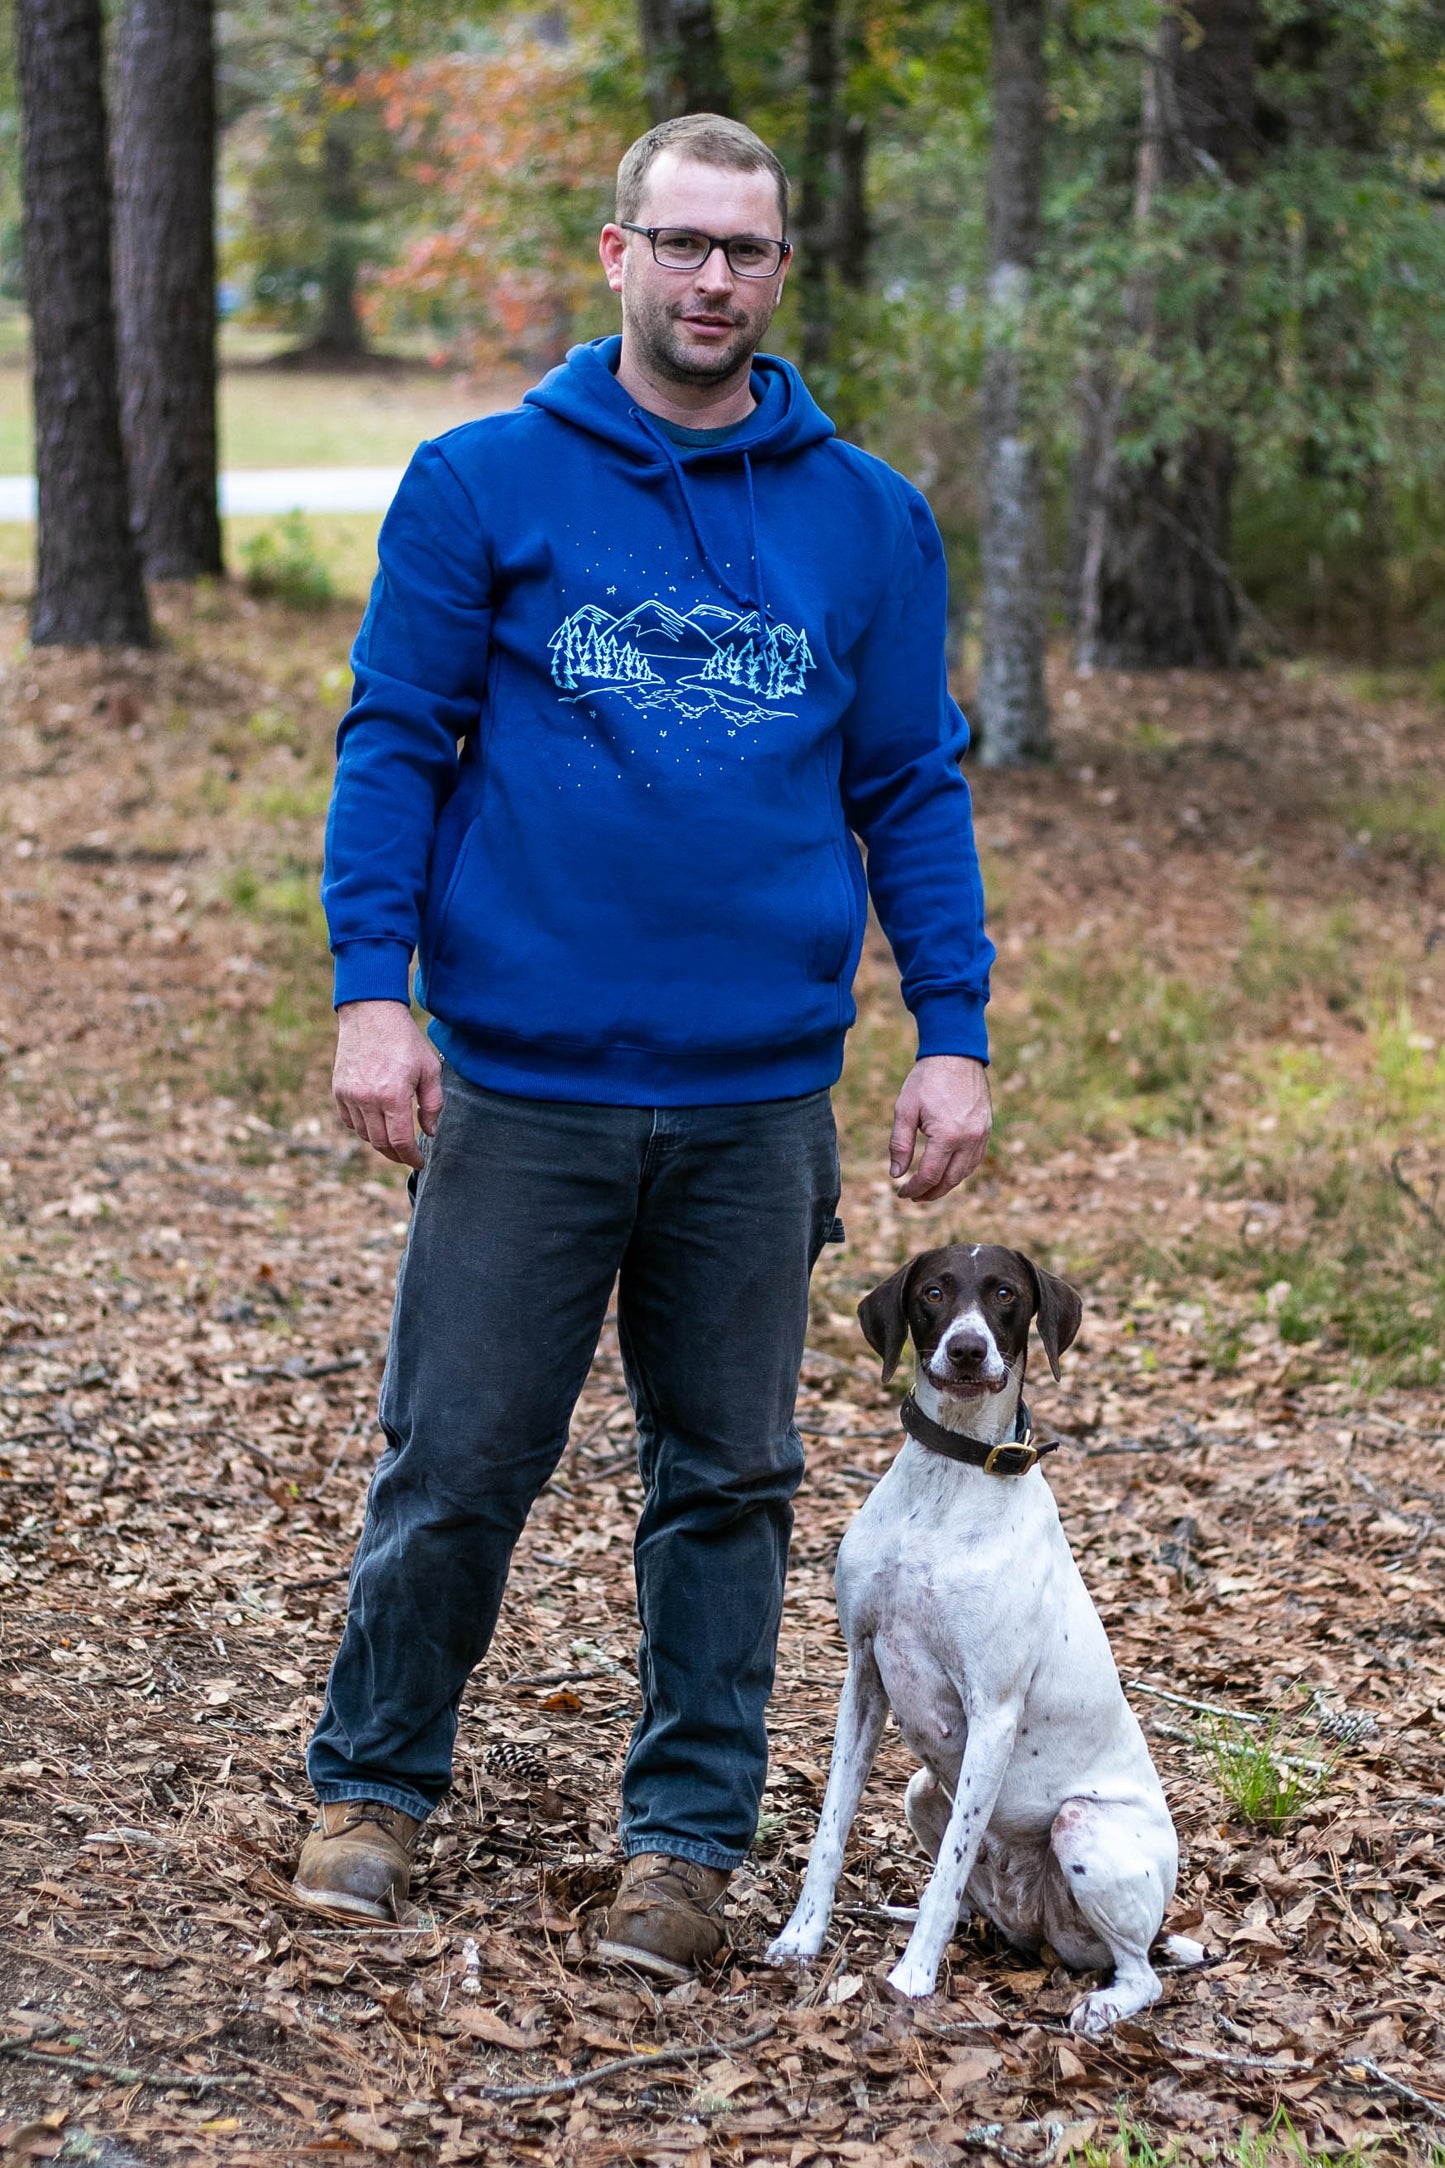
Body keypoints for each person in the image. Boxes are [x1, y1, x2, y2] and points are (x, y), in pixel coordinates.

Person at [294, 111, 994, 1980]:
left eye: (745, 252)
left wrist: (952, 1030)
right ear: (614, 253)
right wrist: (378, 992)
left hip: (757, 1095)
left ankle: (685, 1842)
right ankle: (370, 1789)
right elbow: (395, 740)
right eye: (679, 245)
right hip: (525, 1079)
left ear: (779, 271)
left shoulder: (864, 516)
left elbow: (911, 785)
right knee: (456, 1456)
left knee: (729, 1479)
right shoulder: (482, 482)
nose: (712, 282)